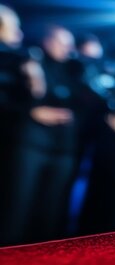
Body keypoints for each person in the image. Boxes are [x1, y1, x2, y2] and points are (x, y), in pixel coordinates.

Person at [3, 25, 82, 244]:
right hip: (31, 145)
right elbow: (16, 98)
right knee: (18, 206)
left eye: (69, 44)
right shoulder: (27, 60)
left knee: (51, 212)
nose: (66, 48)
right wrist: (32, 111)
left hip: (63, 149)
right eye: (60, 42)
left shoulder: (74, 71)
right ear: (47, 41)